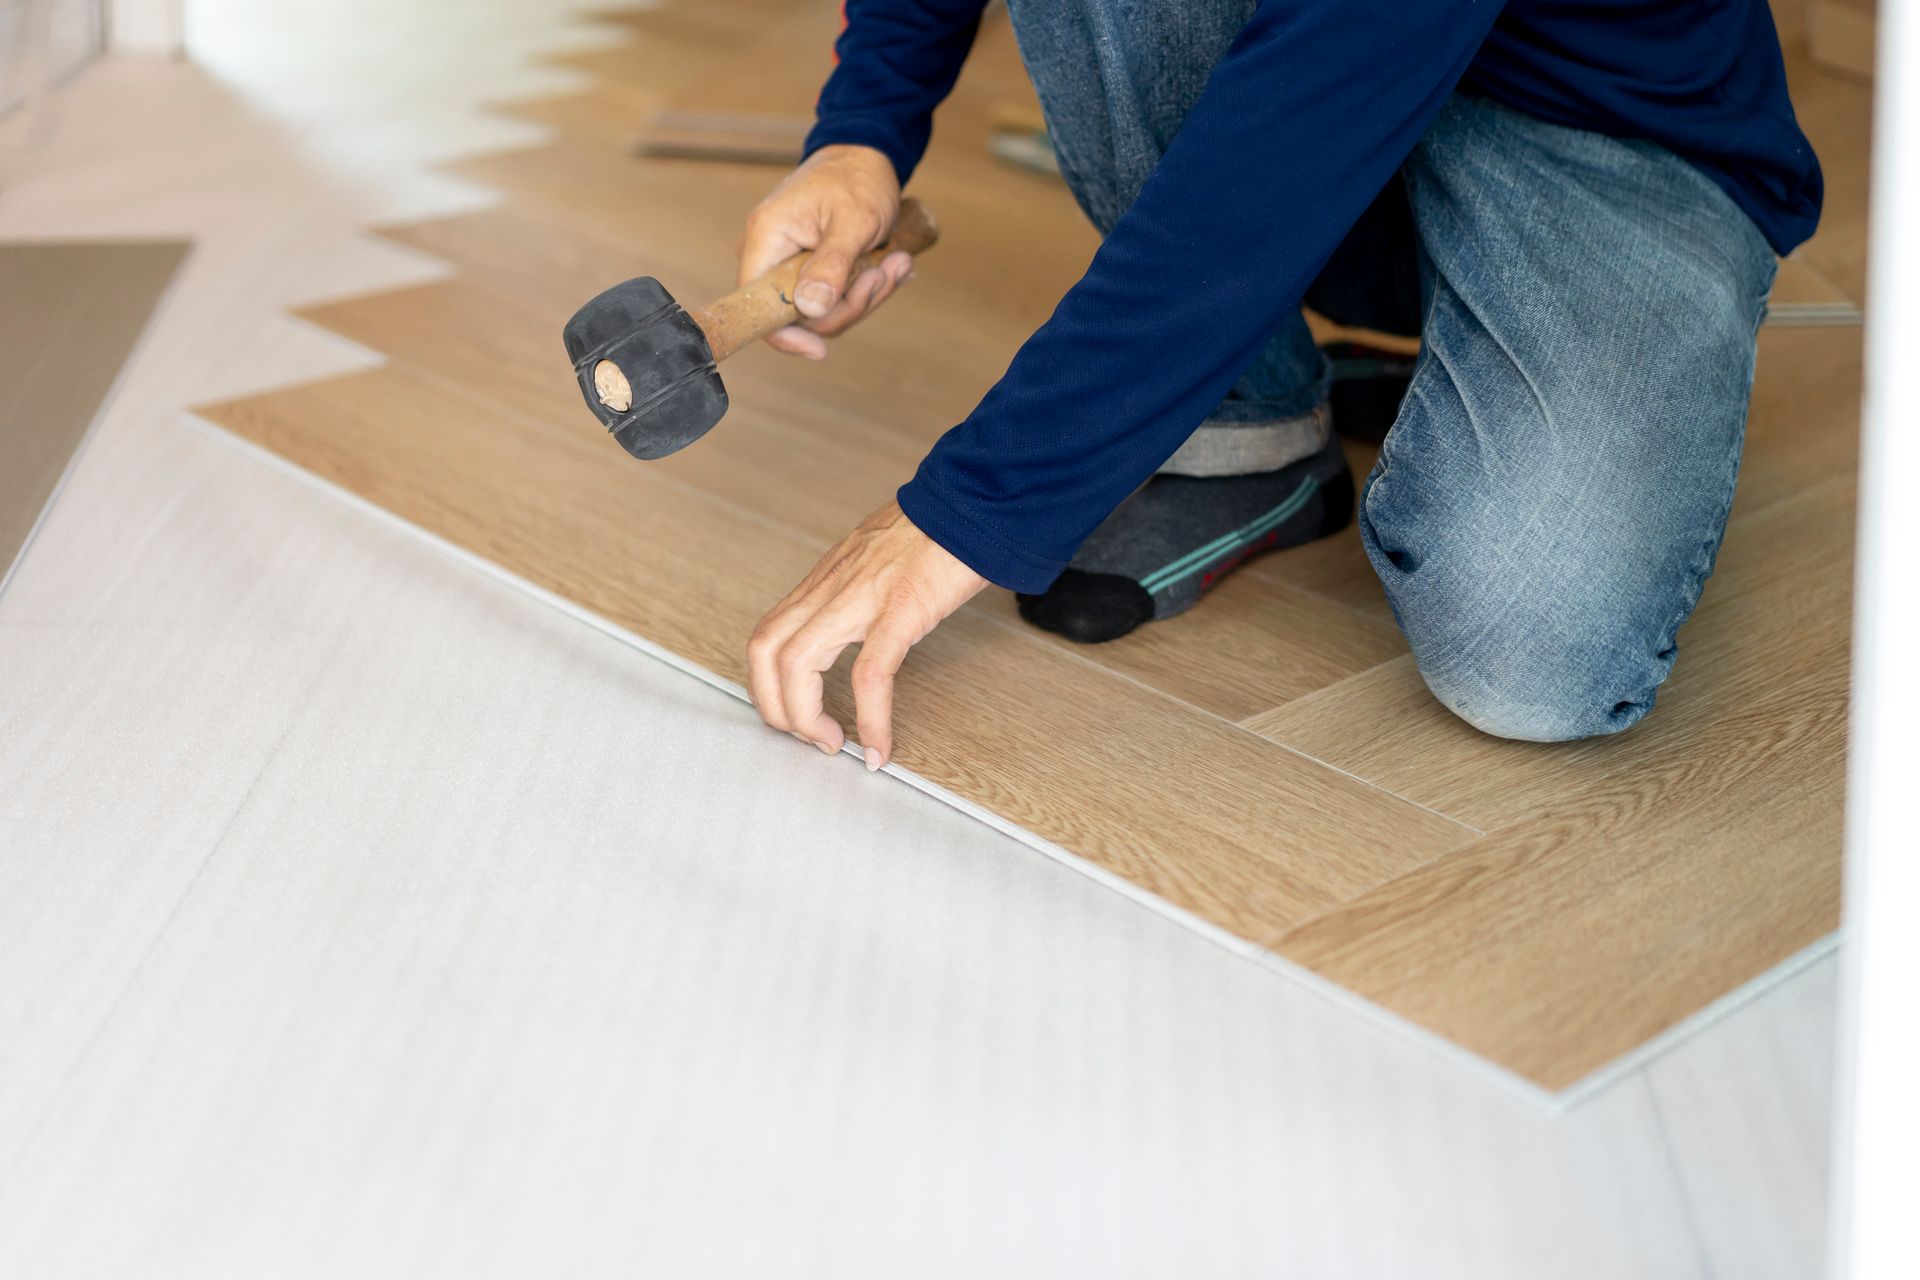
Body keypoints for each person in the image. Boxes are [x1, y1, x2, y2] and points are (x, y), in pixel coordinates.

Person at [737, 0, 1821, 773]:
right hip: (1282, 74)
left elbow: (1303, 124)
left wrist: (969, 508)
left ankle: (1442, 373)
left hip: (1610, 126)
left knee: (1533, 655)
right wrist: (864, 128)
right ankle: (1255, 422)